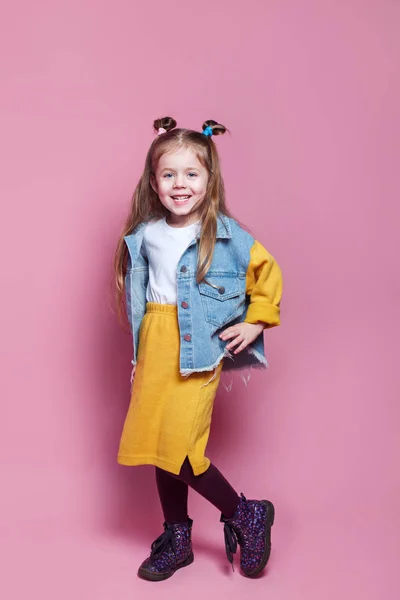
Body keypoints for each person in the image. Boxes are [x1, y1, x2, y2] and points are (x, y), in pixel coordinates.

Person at [114, 117, 283, 581]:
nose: (180, 184)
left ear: (210, 180)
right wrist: (137, 358)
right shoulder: (146, 234)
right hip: (155, 345)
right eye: (169, 175)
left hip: (198, 351)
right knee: (158, 445)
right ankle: (178, 537)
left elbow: (266, 276)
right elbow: (143, 302)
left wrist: (255, 321)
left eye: (192, 174)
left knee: (184, 450)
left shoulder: (225, 234)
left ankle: (246, 513)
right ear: (153, 181)